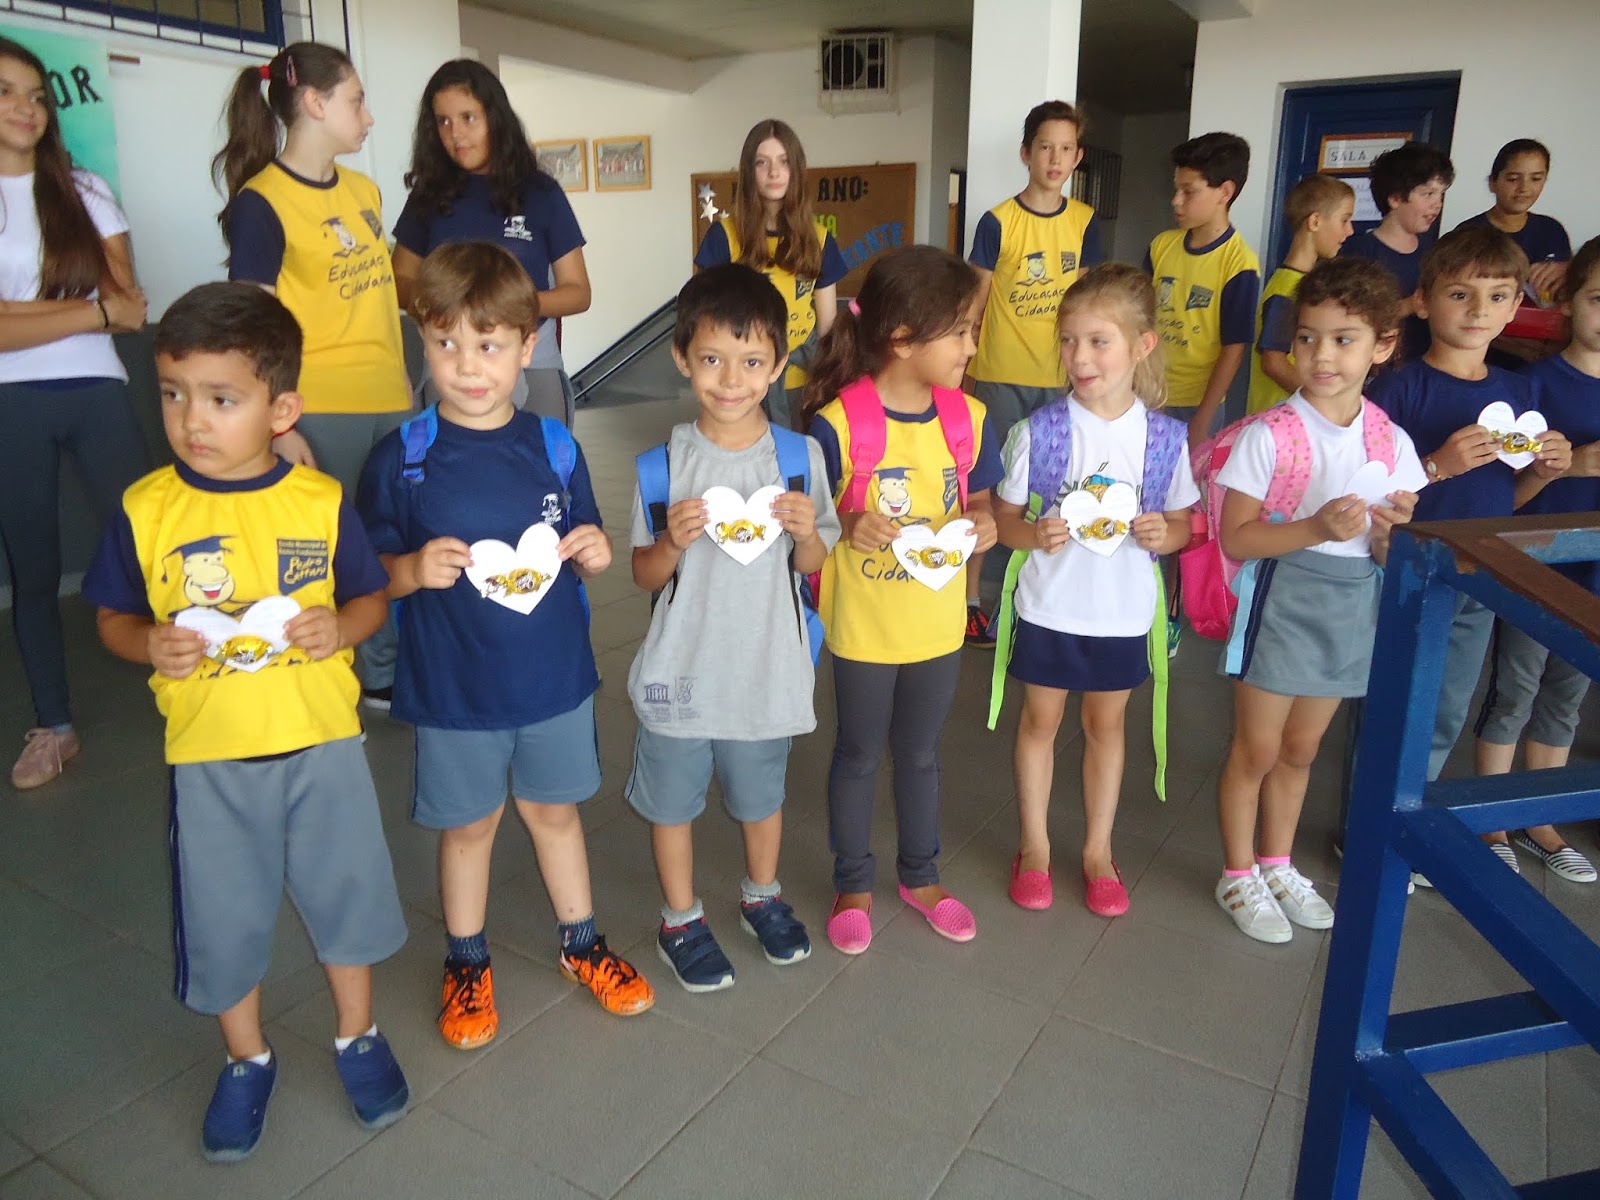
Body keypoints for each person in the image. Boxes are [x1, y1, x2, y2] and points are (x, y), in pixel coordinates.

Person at [82, 282, 409, 1160]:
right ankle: (245, 1057)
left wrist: (342, 628)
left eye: (222, 399)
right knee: (223, 917)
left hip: (324, 747)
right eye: (173, 393)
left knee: (347, 897)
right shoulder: (146, 509)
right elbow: (111, 617)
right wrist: (146, 642)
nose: (192, 419)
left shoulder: (319, 500)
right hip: (211, 759)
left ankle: (359, 1035)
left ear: (281, 409)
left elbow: (371, 598)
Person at [358, 243, 652, 1049]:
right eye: (445, 342)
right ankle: (466, 960)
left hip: (551, 680)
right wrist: (410, 570)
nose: (467, 365)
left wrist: (595, 549)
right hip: (454, 690)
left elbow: (586, 536)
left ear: (528, 345)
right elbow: (367, 577)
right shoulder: (401, 459)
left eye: (488, 344)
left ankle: (581, 943)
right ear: (422, 340)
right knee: (469, 828)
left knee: (556, 813)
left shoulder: (554, 446)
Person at [626, 264, 840, 991]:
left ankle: (761, 895)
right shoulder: (663, 466)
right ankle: (679, 918)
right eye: (712, 358)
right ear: (682, 358)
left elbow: (813, 562)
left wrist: (806, 532)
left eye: (752, 362)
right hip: (681, 669)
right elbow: (644, 575)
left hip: (764, 667)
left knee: (761, 794)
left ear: (778, 365)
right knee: (672, 801)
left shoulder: (799, 458)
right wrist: (669, 544)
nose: (731, 379)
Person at [1212, 258, 1426, 942]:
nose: (1321, 355)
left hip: (1350, 603)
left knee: (1302, 749)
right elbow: (1238, 538)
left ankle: (1277, 862)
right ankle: (1237, 872)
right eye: (1307, 337)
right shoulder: (1270, 435)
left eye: (1343, 339)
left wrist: (1392, 537)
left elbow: (1388, 552)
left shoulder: (1391, 442)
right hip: (1282, 598)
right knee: (1257, 748)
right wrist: (1313, 528)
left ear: (1383, 346)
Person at [802, 245, 1003, 954]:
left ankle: (921, 876)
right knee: (859, 753)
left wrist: (984, 523)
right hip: (863, 626)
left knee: (920, 754)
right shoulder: (837, 423)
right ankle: (852, 882)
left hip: (937, 626)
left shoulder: (969, 417)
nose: (971, 347)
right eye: (961, 332)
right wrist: (847, 520)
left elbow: (981, 501)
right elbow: (807, 523)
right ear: (903, 338)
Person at [990, 265, 1196, 916]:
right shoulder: (1041, 432)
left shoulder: (1165, 439)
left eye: (1098, 341)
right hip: (1050, 608)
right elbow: (1004, 520)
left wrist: (1166, 533)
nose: (1079, 357)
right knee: (1040, 722)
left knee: (1107, 728)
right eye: (1069, 340)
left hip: (1122, 615)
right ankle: (1035, 847)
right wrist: (1032, 534)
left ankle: (1098, 851)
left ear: (1142, 345)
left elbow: (1184, 524)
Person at [1369, 226, 1572, 882]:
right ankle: (1367, 829)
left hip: (1477, 577)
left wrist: (1544, 471)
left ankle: (1409, 827)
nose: (1479, 309)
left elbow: (1509, 498)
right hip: (1408, 571)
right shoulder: (1399, 387)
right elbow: (1370, 489)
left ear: (1515, 307)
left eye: (1497, 295)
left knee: (1446, 708)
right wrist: (1437, 464)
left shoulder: (1520, 394)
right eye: (1460, 294)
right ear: (1423, 301)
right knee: (1392, 703)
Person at [213, 41, 411, 709]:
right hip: (319, 407)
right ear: (316, 103)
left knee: (388, 541)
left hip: (391, 397)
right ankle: (319, 682)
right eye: (357, 101)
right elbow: (251, 330)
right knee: (322, 551)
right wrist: (277, 427)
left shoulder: (364, 191)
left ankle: (381, 675)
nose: (369, 117)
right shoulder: (261, 203)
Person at [0, 36, 149, 789]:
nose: (25, 108)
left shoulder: (84, 189)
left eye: (36, 95)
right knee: (32, 571)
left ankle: (210, 683)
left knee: (155, 544)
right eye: (5, 92)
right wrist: (86, 312)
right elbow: (104, 308)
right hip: (10, 402)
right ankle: (54, 728)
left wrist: (24, 315)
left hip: (97, 389)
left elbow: (131, 308)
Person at [1471, 236, 1600, 884]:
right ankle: (1492, 817)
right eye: (1599, 298)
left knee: (1567, 691)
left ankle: (1539, 818)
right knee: (1516, 687)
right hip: (1538, 562)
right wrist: (1572, 465)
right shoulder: (1533, 386)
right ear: (1568, 302)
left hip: (1595, 573)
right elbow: (1507, 489)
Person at [964, 100, 1104, 644]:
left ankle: (1036, 602)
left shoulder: (1085, 221)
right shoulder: (998, 221)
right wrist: (964, 374)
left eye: (1066, 149)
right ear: (1026, 153)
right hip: (1000, 377)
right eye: (1045, 146)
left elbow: (1087, 306)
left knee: (1051, 494)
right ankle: (973, 600)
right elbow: (974, 304)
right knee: (991, 492)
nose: (1055, 158)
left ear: (1078, 157)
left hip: (1060, 381)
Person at [393, 58, 590, 425]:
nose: (455, 134)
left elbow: (578, 292)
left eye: (468, 118)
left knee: (543, 456)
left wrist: (505, 305)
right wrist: (452, 307)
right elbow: (398, 282)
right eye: (443, 121)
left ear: (495, 119)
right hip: (453, 364)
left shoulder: (541, 192)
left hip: (533, 360)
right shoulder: (428, 196)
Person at [695, 118, 848, 431]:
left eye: (784, 162)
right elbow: (704, 320)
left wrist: (828, 380)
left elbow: (828, 328)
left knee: (801, 459)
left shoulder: (819, 238)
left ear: (796, 169)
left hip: (803, 381)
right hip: (744, 384)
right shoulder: (724, 237)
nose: (774, 173)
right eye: (762, 163)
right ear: (749, 172)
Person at [1145, 131, 1261, 447]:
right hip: (1148, 394)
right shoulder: (1160, 247)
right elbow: (1139, 320)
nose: (1176, 200)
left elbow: (1234, 348)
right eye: (1176, 189)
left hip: (1197, 405)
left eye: (1188, 191)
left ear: (1225, 192)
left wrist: (1203, 419)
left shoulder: (1239, 263)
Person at [1247, 174, 1355, 414]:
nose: (1350, 230)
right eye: (1344, 220)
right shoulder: (1288, 289)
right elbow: (1273, 362)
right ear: (1315, 221)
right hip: (1278, 420)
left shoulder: (1298, 282)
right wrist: (1325, 401)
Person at [1340, 142, 1455, 365]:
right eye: (1428, 194)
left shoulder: (1436, 251)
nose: (1437, 204)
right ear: (1395, 199)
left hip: (1424, 366)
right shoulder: (1359, 252)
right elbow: (1349, 317)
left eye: (1441, 194)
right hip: (1373, 369)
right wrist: (1411, 304)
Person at [1453, 139, 1571, 304]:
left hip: (1543, 319)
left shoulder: (1552, 230)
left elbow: (1568, 290)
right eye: (1513, 179)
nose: (1524, 188)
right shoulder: (1468, 233)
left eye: (1536, 179)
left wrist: (1568, 271)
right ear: (1493, 183)